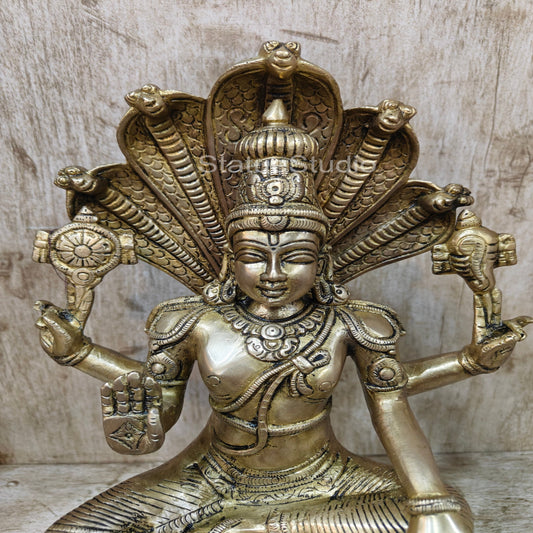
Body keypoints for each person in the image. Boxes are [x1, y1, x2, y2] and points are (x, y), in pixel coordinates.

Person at [35, 99, 530, 533]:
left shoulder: (351, 324)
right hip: (207, 476)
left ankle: (250, 526)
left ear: (322, 261)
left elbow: (392, 406)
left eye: (295, 256)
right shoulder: (191, 323)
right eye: (254, 255)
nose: (273, 274)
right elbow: (161, 404)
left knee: (447, 516)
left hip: (329, 477)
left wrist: (429, 498)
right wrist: (130, 414)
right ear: (230, 261)